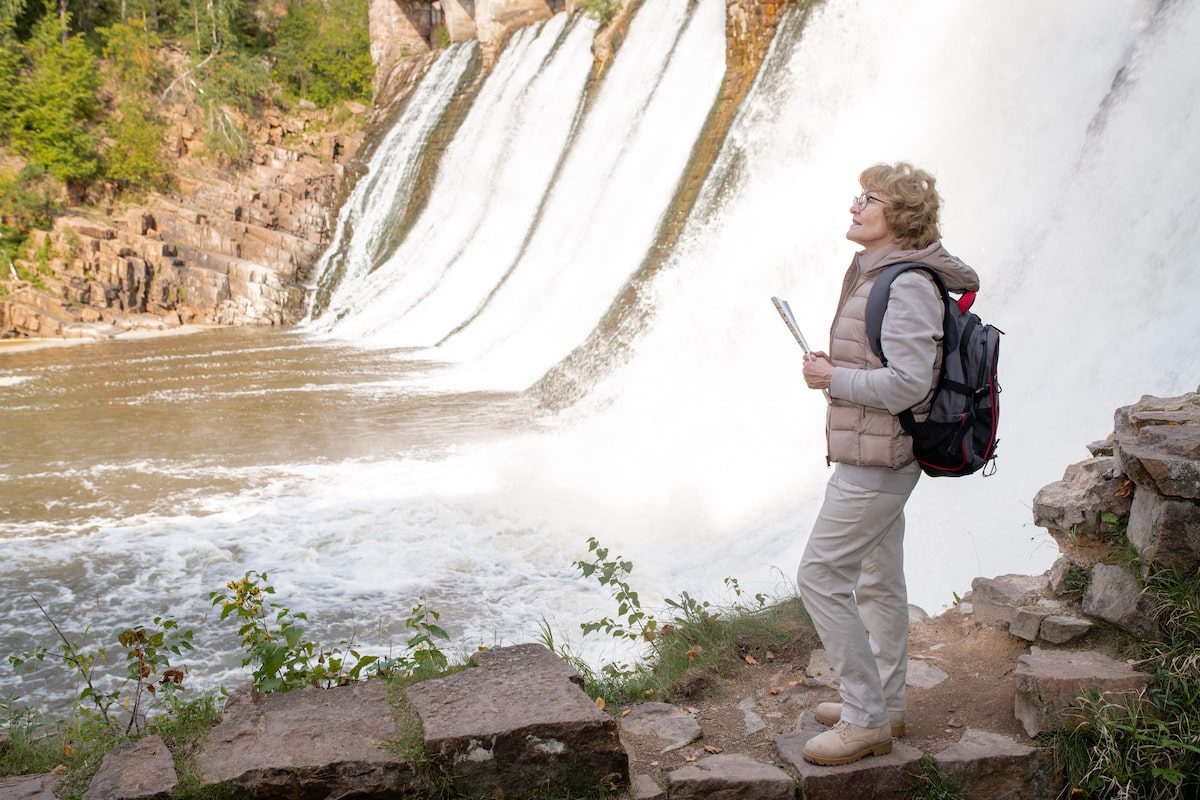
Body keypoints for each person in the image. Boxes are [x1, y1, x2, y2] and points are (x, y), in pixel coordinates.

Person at [796, 162, 979, 766]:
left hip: (879, 461)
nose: (854, 206)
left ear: (896, 217)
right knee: (877, 580)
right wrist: (837, 369)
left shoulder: (906, 285)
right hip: (869, 450)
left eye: (867, 199)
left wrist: (834, 378)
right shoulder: (874, 273)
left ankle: (865, 719)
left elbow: (907, 386)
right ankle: (887, 704)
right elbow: (883, 364)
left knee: (820, 577)